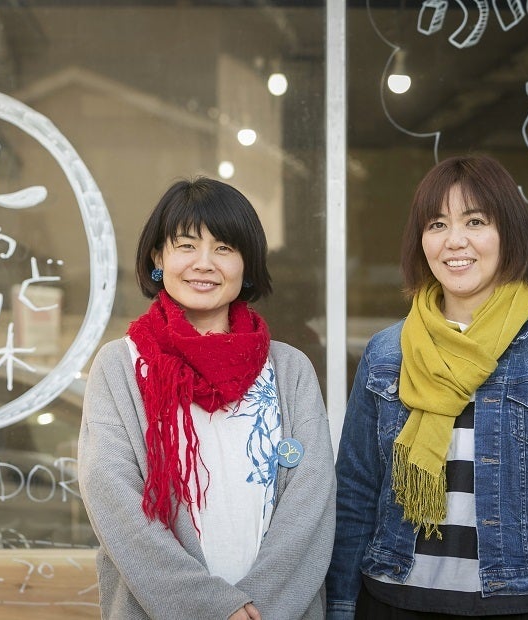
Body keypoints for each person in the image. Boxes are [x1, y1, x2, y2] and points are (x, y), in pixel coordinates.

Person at [326, 155, 528, 620]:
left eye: (475, 221)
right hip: (391, 598)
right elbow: (355, 494)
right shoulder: (387, 352)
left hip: (513, 604)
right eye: (437, 224)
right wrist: (340, 607)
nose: (454, 240)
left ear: (508, 233)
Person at [78, 176, 336, 619]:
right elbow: (115, 502)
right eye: (186, 246)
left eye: (224, 248)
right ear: (158, 257)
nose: (204, 263)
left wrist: (256, 611)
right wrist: (213, 609)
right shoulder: (120, 366)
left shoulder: (290, 369)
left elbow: (312, 504)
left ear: (246, 265)